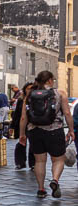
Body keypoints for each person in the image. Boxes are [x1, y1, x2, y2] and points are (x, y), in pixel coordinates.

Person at [19, 70, 75, 198]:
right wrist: (71, 130)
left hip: (35, 131)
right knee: (58, 159)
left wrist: (22, 134)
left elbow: (23, 117)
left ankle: (41, 189)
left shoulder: (30, 95)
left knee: (39, 161)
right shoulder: (60, 93)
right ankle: (55, 180)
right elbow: (67, 113)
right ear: (50, 80)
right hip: (55, 130)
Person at [10, 81, 34, 170]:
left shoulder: (37, 98)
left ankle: (33, 164)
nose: (30, 90)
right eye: (28, 88)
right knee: (21, 143)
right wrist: (12, 126)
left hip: (33, 124)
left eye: (32, 88)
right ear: (24, 89)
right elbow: (16, 114)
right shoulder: (21, 99)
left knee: (33, 144)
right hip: (22, 124)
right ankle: (20, 163)